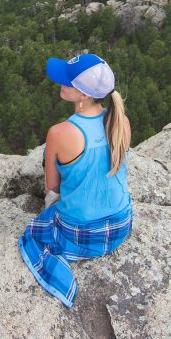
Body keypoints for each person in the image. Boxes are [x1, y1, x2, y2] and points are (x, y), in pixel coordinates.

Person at [18, 52, 133, 307]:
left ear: (83, 95)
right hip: (121, 225)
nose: (61, 82)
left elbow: (52, 189)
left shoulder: (60, 133)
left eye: (67, 80)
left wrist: (50, 215)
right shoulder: (121, 121)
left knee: (30, 236)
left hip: (82, 234)